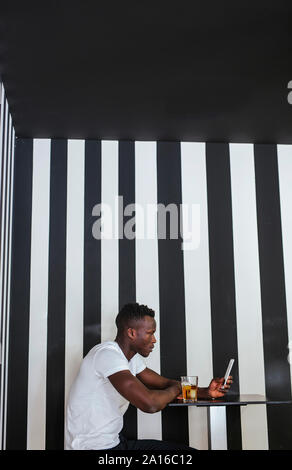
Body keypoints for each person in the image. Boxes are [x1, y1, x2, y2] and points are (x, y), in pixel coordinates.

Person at [65, 303, 232, 450]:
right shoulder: (107, 355)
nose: (154, 340)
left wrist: (205, 392)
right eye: (150, 333)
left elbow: (163, 383)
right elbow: (150, 403)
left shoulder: (130, 359)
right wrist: (176, 388)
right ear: (131, 333)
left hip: (114, 443)